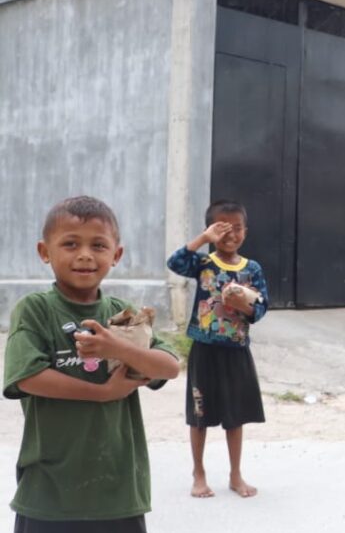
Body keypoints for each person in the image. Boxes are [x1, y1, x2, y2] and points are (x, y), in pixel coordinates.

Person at [4, 196, 180, 533]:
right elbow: (28, 377)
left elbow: (169, 366)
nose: (85, 254)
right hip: (48, 491)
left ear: (116, 255)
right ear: (44, 251)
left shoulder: (124, 316)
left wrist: (118, 348)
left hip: (118, 490)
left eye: (98, 245)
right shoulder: (35, 309)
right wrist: (103, 393)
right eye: (70, 244)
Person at [167, 200, 269, 499]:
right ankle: (198, 473)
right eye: (222, 228)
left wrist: (244, 305)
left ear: (245, 231)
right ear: (211, 230)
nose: (230, 235)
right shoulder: (203, 264)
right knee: (199, 414)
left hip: (236, 350)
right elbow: (175, 262)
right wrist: (202, 239)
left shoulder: (252, 269)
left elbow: (262, 307)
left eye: (237, 228)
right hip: (204, 349)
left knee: (235, 415)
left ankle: (236, 475)